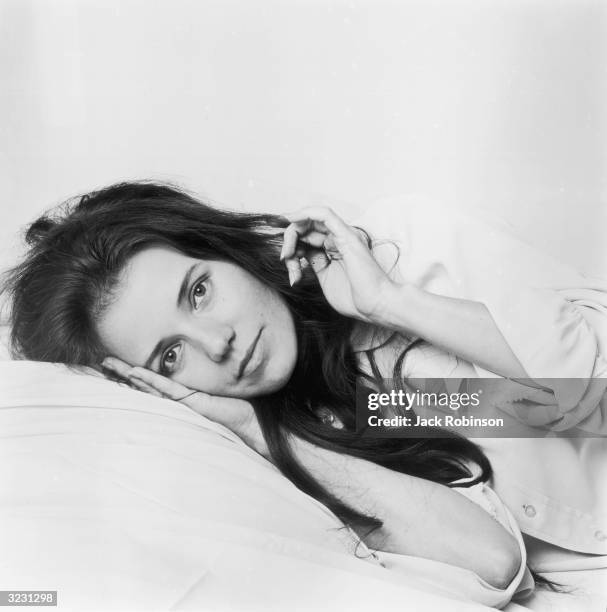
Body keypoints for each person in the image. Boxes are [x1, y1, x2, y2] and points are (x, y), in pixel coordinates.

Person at [3, 181, 607, 608]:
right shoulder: (294, 446)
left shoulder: (411, 249)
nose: (218, 344)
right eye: (170, 354)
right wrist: (259, 433)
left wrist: (391, 304)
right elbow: (492, 559)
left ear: (227, 252)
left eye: (199, 292)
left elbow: (592, 398)